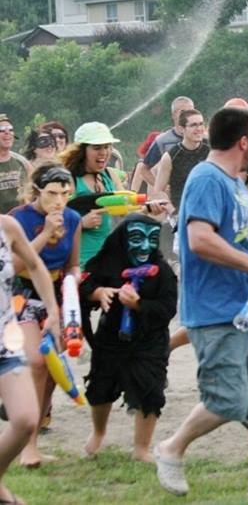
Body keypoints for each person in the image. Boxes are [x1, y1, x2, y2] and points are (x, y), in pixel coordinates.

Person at [152, 107, 248, 497]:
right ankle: (171, 448)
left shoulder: (236, 183)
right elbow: (199, 240)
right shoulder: (206, 179)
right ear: (244, 142)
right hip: (216, 311)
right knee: (228, 400)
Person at [79, 214, 177, 462]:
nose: (145, 246)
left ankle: (141, 448)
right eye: (137, 238)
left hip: (149, 341)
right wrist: (98, 292)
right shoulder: (108, 263)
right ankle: (98, 433)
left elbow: (168, 309)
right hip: (110, 338)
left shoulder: (163, 271)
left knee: (151, 391)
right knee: (101, 387)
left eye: (152, 239)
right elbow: (83, 285)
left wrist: (138, 305)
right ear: (123, 239)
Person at [8, 164, 80, 468]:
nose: (60, 201)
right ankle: (27, 446)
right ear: (37, 190)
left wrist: (73, 284)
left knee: (53, 369)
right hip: (19, 293)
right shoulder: (18, 218)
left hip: (56, 294)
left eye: (66, 193)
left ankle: (35, 435)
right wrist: (47, 233)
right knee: (37, 361)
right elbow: (14, 264)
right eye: (52, 193)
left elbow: (73, 264)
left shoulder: (73, 219)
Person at [0, 205, 62, 503]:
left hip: (4, 340)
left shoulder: (7, 227)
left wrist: (52, 310)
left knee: (25, 420)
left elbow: (34, 265)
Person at [59, 122, 126, 268]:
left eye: (107, 147)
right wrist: (81, 223)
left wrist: (149, 208)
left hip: (107, 260)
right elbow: (52, 223)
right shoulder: (69, 180)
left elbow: (125, 210)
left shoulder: (110, 175)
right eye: (97, 148)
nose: (103, 153)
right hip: (79, 264)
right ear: (81, 151)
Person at [154, 109, 210, 211]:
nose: (199, 129)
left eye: (201, 124)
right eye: (193, 125)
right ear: (181, 129)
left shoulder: (212, 149)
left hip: (210, 210)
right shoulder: (170, 156)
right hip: (183, 211)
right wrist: (173, 211)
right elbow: (158, 191)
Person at [141, 96, 195, 191]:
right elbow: (144, 170)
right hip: (176, 197)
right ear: (174, 115)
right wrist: (162, 188)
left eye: (191, 111)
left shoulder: (203, 138)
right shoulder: (163, 140)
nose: (187, 115)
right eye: (182, 112)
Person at [0, 114, 31, 214]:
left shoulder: (23, 163)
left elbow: (32, 194)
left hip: (19, 223)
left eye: (10, 129)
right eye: (1, 130)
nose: (7, 133)